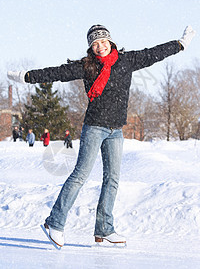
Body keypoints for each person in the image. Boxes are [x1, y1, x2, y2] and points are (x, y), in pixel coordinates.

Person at [7, 24, 195, 247]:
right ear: (91, 47)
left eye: (103, 41)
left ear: (111, 41)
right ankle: (54, 223)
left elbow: (153, 53)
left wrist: (180, 44)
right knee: (80, 175)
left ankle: (104, 229)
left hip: (116, 130)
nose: (100, 46)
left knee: (112, 179)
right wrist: (26, 76)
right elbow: (56, 72)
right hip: (94, 127)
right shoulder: (87, 66)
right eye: (95, 43)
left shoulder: (127, 60)